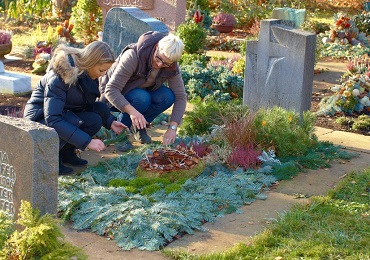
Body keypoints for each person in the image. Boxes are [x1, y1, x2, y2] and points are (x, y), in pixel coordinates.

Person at [24, 41, 128, 175]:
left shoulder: (87, 74)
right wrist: (87, 141)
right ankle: (53, 158)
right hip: (39, 119)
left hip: (64, 113)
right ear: (90, 62)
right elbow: (53, 119)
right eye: (101, 70)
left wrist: (110, 121)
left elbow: (85, 105)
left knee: (96, 117)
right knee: (70, 121)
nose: (103, 75)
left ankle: (67, 152)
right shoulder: (60, 77)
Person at [99, 31, 186, 152]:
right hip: (114, 95)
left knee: (167, 97)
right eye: (158, 58)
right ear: (156, 47)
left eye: (166, 63)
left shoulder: (171, 65)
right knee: (142, 98)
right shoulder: (134, 55)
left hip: (141, 93)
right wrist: (133, 112)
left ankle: (138, 127)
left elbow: (181, 96)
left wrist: (172, 128)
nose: (160, 64)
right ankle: (120, 131)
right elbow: (110, 89)